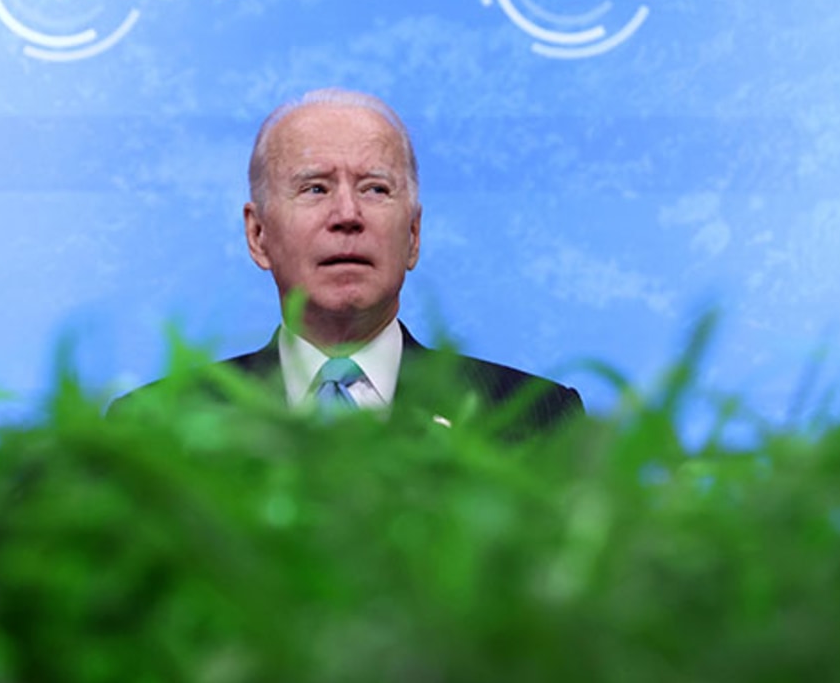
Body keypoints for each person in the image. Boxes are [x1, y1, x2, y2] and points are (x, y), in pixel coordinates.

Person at [125, 88, 582, 433]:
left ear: (414, 235)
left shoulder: (536, 419)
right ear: (258, 234)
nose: (347, 215)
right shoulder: (157, 424)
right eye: (315, 188)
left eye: (375, 189)